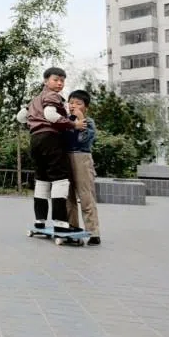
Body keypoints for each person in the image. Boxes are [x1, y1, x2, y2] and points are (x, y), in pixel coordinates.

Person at [16, 67, 86, 234]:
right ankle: (60, 223)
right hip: (52, 139)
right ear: (45, 81)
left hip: (35, 140)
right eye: (56, 79)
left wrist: (33, 124)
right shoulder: (53, 96)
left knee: (42, 180)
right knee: (60, 179)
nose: (60, 83)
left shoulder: (35, 99)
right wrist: (73, 124)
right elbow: (50, 114)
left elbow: (20, 117)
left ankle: (39, 221)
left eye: (62, 80)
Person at [66, 90, 101, 245]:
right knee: (68, 196)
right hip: (65, 158)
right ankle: (73, 228)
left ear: (86, 107)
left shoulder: (89, 122)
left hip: (82, 158)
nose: (74, 106)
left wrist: (80, 121)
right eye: (71, 102)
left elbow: (84, 140)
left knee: (85, 195)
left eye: (78, 103)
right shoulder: (65, 121)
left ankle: (93, 232)